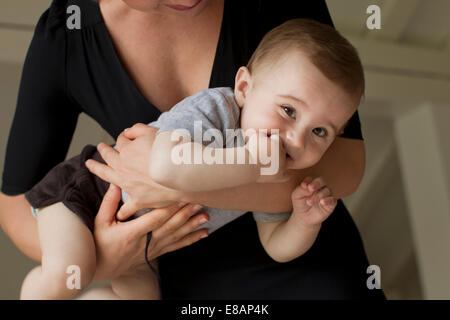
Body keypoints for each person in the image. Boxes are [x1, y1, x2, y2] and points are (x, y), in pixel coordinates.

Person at [0, 0, 385, 299]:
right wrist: (105, 256)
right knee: (78, 275)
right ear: (244, 88)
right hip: (94, 206)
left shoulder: (272, 158)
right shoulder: (218, 108)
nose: (296, 140)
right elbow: (166, 167)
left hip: (311, 281)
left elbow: (284, 235)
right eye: (287, 111)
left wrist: (302, 220)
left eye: (319, 132)